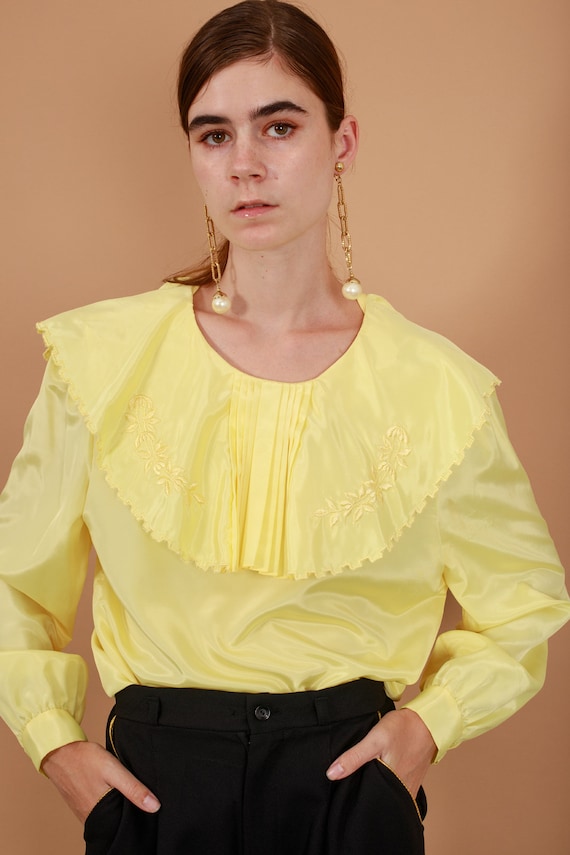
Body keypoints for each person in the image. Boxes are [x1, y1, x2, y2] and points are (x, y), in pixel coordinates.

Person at [0, 1, 568, 853]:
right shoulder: (102, 362)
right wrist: (56, 744)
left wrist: (428, 727)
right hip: (156, 791)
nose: (245, 165)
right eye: (214, 135)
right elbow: (15, 582)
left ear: (343, 142)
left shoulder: (434, 386)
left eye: (279, 126)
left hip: (347, 785)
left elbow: (523, 601)